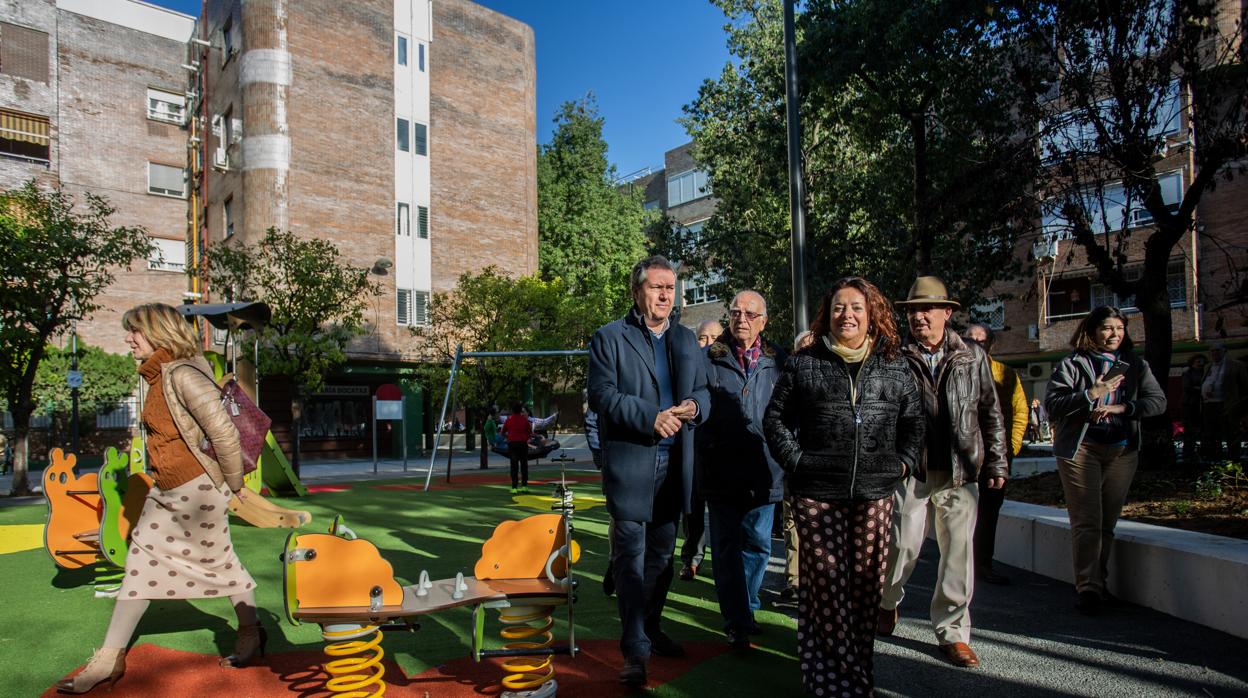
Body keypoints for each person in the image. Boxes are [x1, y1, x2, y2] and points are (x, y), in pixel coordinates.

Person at [57, 303, 260, 694]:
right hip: (170, 489)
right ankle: (250, 632)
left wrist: (233, 486)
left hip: (196, 490)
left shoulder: (182, 374)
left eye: (135, 330)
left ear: (159, 332)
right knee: (173, 563)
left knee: (167, 563)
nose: (128, 338)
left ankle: (109, 658)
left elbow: (224, 434)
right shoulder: (159, 375)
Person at [764, 277, 923, 694]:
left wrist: (903, 465)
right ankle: (831, 680)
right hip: (817, 495)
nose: (846, 315)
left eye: (856, 307)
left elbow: (914, 422)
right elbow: (774, 420)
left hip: (874, 494)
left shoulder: (894, 363)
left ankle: (855, 672)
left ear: (872, 313)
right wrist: (797, 461)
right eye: (838, 307)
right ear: (827, 313)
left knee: (865, 590)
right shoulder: (805, 362)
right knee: (826, 592)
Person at [587, 255, 709, 687]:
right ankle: (635, 650)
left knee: (661, 556)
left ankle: (651, 628)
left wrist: (694, 407)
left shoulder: (686, 339)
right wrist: (651, 417)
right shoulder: (609, 337)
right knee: (630, 559)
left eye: (670, 288)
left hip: (677, 463)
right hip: (634, 462)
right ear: (637, 291)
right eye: (656, 287)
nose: (664, 295)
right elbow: (602, 395)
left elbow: (703, 391)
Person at [877, 276, 1007, 669]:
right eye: (914, 310)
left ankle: (952, 632)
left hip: (961, 469)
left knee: (958, 555)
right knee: (902, 546)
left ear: (947, 312)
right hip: (911, 469)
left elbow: (990, 411)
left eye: (927, 309)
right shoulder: (894, 355)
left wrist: (997, 461)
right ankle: (886, 602)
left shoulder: (972, 356)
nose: (919, 316)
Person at [1046, 306, 1166, 615]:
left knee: (1107, 522)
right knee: (1087, 521)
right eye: (1107, 328)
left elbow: (1158, 402)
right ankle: (1088, 588)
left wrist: (1122, 408)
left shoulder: (1136, 366)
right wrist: (1091, 394)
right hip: (1081, 448)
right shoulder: (1073, 364)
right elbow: (1054, 406)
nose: (1114, 334)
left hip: (1122, 449)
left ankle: (1099, 583)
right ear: (1092, 331)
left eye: (1120, 328)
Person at [698, 291, 786, 649]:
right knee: (725, 547)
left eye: (750, 314)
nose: (741, 319)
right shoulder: (708, 358)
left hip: (765, 469)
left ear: (763, 321)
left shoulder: (779, 359)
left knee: (759, 543)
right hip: (720, 469)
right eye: (735, 312)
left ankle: (747, 607)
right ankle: (736, 620)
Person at [965, 324, 1028, 586]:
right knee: (961, 513)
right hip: (963, 455)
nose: (976, 344)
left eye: (982, 340)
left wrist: (1009, 448)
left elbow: (1020, 412)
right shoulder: (956, 368)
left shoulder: (1006, 374)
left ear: (992, 344)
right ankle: (960, 567)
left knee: (989, 513)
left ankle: (983, 564)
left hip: (994, 455)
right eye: (971, 339)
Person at [680, 320, 722, 581]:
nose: (708, 344)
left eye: (714, 338)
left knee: (721, 512)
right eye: (702, 338)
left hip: (722, 450)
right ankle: (692, 558)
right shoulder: (690, 367)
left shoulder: (731, 366)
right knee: (692, 509)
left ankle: (723, 561)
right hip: (694, 447)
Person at [778, 330, 815, 604]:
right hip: (795, 462)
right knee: (792, 522)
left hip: (824, 466)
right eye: (803, 348)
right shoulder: (787, 379)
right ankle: (794, 579)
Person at [1202, 344, 1248, 463]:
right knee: (1212, 433)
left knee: (1230, 432)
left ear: (1224, 351)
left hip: (1228, 404)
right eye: (1212, 351)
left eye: (1217, 350)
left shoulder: (1237, 366)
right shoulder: (1208, 366)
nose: (1214, 353)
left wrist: (1241, 405)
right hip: (1209, 405)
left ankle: (1234, 459)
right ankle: (1216, 458)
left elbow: (1244, 386)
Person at [1180, 355, 1207, 465]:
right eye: (1198, 361)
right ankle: (1188, 453)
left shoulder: (1206, 372)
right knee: (1189, 429)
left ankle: (1202, 452)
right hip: (1190, 404)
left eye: (1202, 361)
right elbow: (1187, 387)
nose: (1200, 363)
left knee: (1202, 429)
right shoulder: (1188, 373)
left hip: (1203, 404)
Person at [502, 403, 533, 494]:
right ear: (521, 411)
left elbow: (503, 432)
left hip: (512, 445)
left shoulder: (509, 420)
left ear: (512, 410)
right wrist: (525, 438)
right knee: (524, 465)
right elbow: (529, 432)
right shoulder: (524, 420)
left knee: (514, 466)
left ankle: (514, 487)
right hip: (523, 444)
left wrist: (509, 437)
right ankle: (524, 486)